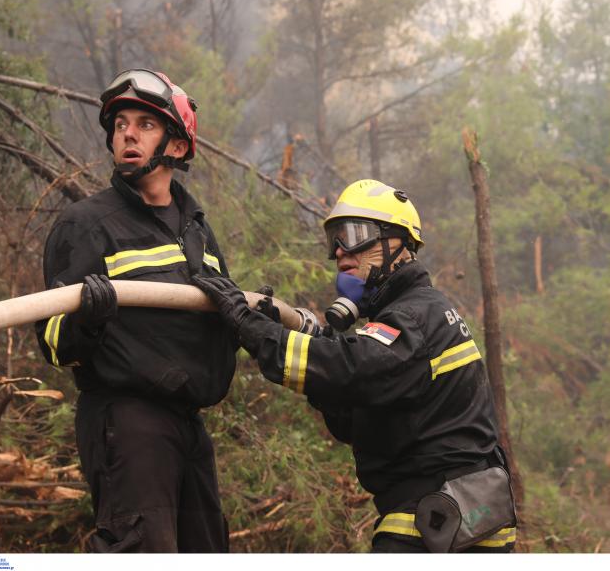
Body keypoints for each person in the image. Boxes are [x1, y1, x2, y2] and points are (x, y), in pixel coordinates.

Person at [193, 179, 517, 553]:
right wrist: (311, 348)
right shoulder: (418, 314)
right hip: (461, 519)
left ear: (399, 244)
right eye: (334, 239)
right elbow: (356, 409)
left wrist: (253, 328)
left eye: (354, 235)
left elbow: (352, 369)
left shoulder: (412, 316)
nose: (340, 253)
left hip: (433, 524)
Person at [35, 69, 237, 553]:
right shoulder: (87, 225)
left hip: (189, 423)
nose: (128, 132)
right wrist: (87, 319)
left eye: (145, 124)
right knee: (142, 551)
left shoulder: (197, 231)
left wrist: (252, 318)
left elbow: (217, 317)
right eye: (121, 124)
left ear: (179, 146)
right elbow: (50, 338)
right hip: (128, 422)